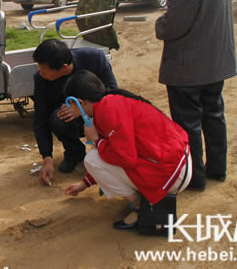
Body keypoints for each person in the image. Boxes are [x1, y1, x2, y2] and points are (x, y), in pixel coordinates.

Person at [152, 0, 237, 191]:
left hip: (188, 69)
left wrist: (160, 22)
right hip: (216, 64)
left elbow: (171, 27)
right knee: (213, 116)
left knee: (188, 125)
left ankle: (195, 179)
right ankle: (217, 170)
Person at [63, 70, 192, 230]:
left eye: (70, 103)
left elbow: (125, 158)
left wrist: (97, 140)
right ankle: (144, 198)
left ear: (80, 102)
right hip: (181, 162)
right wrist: (85, 183)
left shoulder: (107, 110)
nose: (67, 107)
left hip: (172, 175)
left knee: (91, 159)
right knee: (99, 154)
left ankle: (140, 207)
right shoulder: (111, 102)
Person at [32, 39, 118, 185]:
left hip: (98, 112)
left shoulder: (94, 59)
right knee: (57, 118)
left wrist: (81, 109)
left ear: (64, 67)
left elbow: (112, 93)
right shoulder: (41, 80)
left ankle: (111, 150)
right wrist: (47, 158)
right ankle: (74, 154)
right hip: (70, 120)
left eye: (44, 70)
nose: (41, 73)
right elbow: (40, 118)